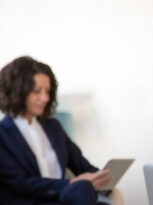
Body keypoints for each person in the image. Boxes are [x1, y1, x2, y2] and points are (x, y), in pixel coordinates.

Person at [0, 56, 112, 205]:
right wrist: (71, 184)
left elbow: (82, 166)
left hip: (63, 198)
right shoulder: (3, 134)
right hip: (30, 201)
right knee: (83, 189)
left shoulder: (53, 127)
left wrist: (101, 177)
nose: (45, 98)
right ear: (17, 92)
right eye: (37, 91)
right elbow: (21, 183)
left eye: (47, 91)